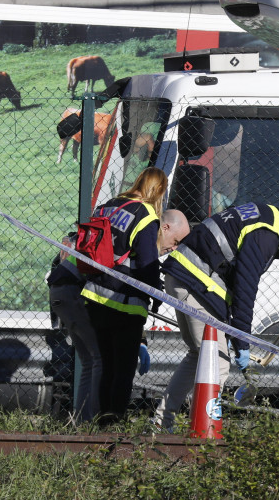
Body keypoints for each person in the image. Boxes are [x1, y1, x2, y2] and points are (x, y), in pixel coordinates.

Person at [153, 202, 279, 431]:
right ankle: (203, 431)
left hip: (184, 276)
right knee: (218, 364)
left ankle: (162, 423)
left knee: (198, 356)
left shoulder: (265, 217)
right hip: (194, 281)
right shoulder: (268, 235)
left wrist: (234, 333)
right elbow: (245, 287)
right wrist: (242, 342)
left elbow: (231, 273)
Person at [81, 167, 189, 423]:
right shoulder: (145, 215)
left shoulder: (109, 206)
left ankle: (101, 420)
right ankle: (115, 419)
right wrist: (156, 294)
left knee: (106, 364)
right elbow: (147, 263)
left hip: (95, 294)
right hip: (125, 302)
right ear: (159, 190)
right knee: (124, 368)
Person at [46, 233, 102, 422]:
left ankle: (83, 421)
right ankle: (97, 422)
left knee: (88, 361)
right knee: (99, 358)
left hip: (62, 291)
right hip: (75, 290)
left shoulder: (97, 231)